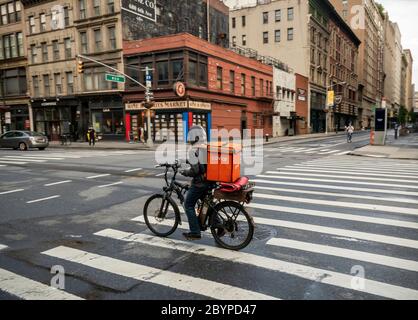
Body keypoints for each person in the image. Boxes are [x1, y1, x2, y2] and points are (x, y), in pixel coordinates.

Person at [179, 126, 212, 241]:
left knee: (188, 205)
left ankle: (194, 231)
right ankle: (218, 224)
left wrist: (185, 172)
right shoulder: (205, 147)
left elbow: (195, 170)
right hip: (210, 181)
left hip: (200, 184)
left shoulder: (194, 150)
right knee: (207, 204)